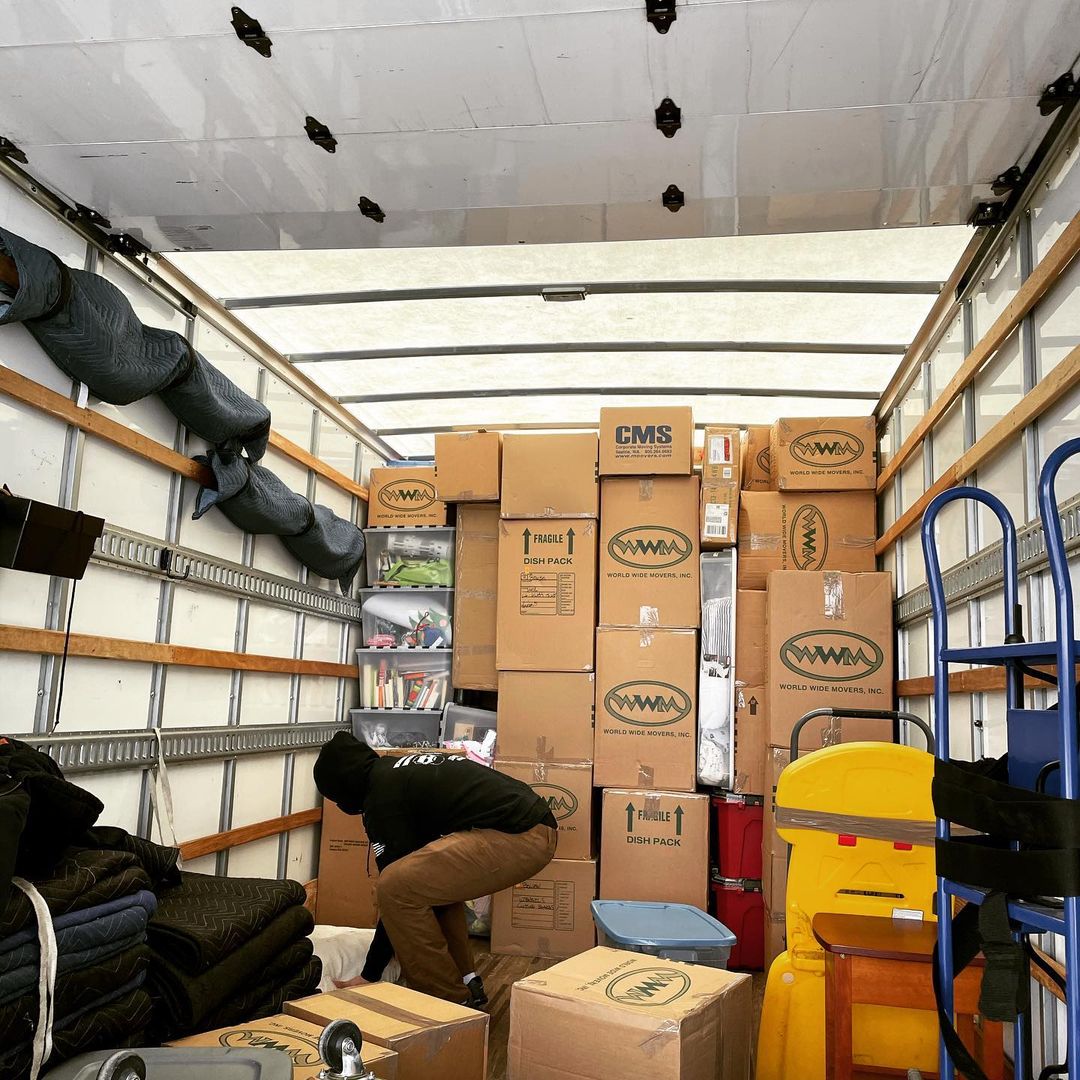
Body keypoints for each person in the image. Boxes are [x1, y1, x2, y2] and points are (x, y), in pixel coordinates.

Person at [313, 732, 557, 1005]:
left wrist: (370, 973)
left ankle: (446, 1001)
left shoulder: (380, 798)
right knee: (427, 883)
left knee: (395, 888)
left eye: (336, 798)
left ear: (345, 787)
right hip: (531, 825)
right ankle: (466, 980)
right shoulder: (396, 773)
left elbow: (392, 895)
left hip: (521, 834)